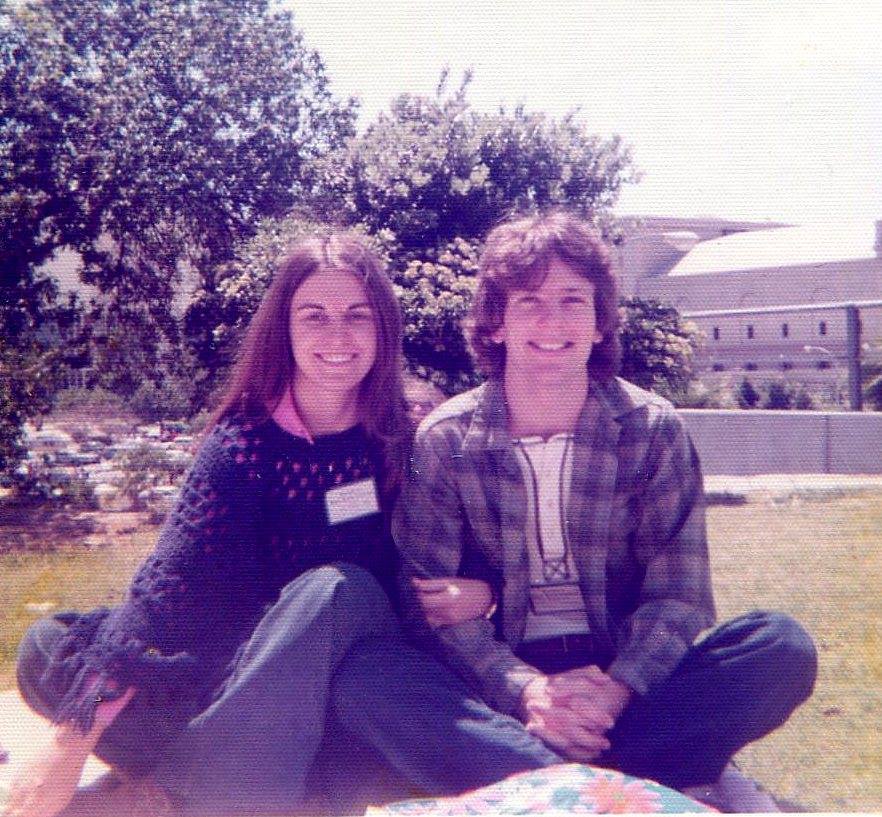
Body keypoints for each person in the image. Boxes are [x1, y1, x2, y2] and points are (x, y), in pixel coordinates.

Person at [7, 232, 560, 817]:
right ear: (285, 330)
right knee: (48, 648)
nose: (337, 336)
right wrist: (71, 736)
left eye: (357, 315)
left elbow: (477, 542)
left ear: (383, 329)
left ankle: (174, 796)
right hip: (249, 678)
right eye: (314, 316)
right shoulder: (243, 448)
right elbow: (167, 592)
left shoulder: (410, 433)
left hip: (369, 662)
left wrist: (486, 590)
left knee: (337, 592)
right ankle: (239, 785)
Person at [395, 211, 819, 813]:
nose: (553, 322)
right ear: (496, 323)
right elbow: (429, 606)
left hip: (625, 674)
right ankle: (659, 772)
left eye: (573, 300)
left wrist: (615, 691)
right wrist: (528, 691)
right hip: (505, 675)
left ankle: (546, 774)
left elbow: (679, 597)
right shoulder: (444, 439)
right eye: (529, 301)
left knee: (780, 647)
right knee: (374, 679)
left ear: (600, 323)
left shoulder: (651, 429)